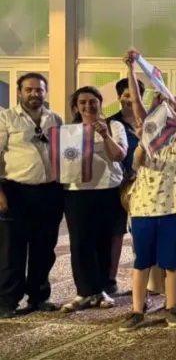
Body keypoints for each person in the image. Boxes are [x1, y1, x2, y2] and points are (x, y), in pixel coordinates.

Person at [118, 52, 176, 330]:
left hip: (171, 209)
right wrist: (131, 69)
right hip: (143, 209)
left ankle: (171, 307)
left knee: (171, 263)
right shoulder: (147, 137)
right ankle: (137, 310)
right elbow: (137, 162)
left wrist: (173, 115)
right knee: (142, 262)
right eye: (174, 110)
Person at [0, 72, 64, 317]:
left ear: (45, 92)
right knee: (11, 251)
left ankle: (39, 296)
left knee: (44, 249)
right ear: (19, 92)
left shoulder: (55, 119)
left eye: (39, 89)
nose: (34, 94)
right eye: (29, 89)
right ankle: (7, 301)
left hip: (49, 192)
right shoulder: (6, 118)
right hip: (16, 191)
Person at [58, 87, 128, 312]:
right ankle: (84, 292)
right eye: (83, 102)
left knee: (104, 242)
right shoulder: (69, 131)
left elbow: (119, 155)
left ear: (100, 103)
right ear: (76, 106)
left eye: (93, 101)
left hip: (107, 191)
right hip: (77, 192)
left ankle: (101, 290)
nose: (88, 106)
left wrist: (105, 135)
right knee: (80, 243)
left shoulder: (114, 126)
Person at [106, 73, 146, 298]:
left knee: (143, 233)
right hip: (119, 185)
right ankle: (110, 280)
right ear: (119, 97)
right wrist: (124, 173)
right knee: (116, 233)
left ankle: (146, 281)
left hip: (147, 186)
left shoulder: (150, 122)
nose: (130, 100)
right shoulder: (111, 123)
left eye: (135, 95)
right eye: (126, 95)